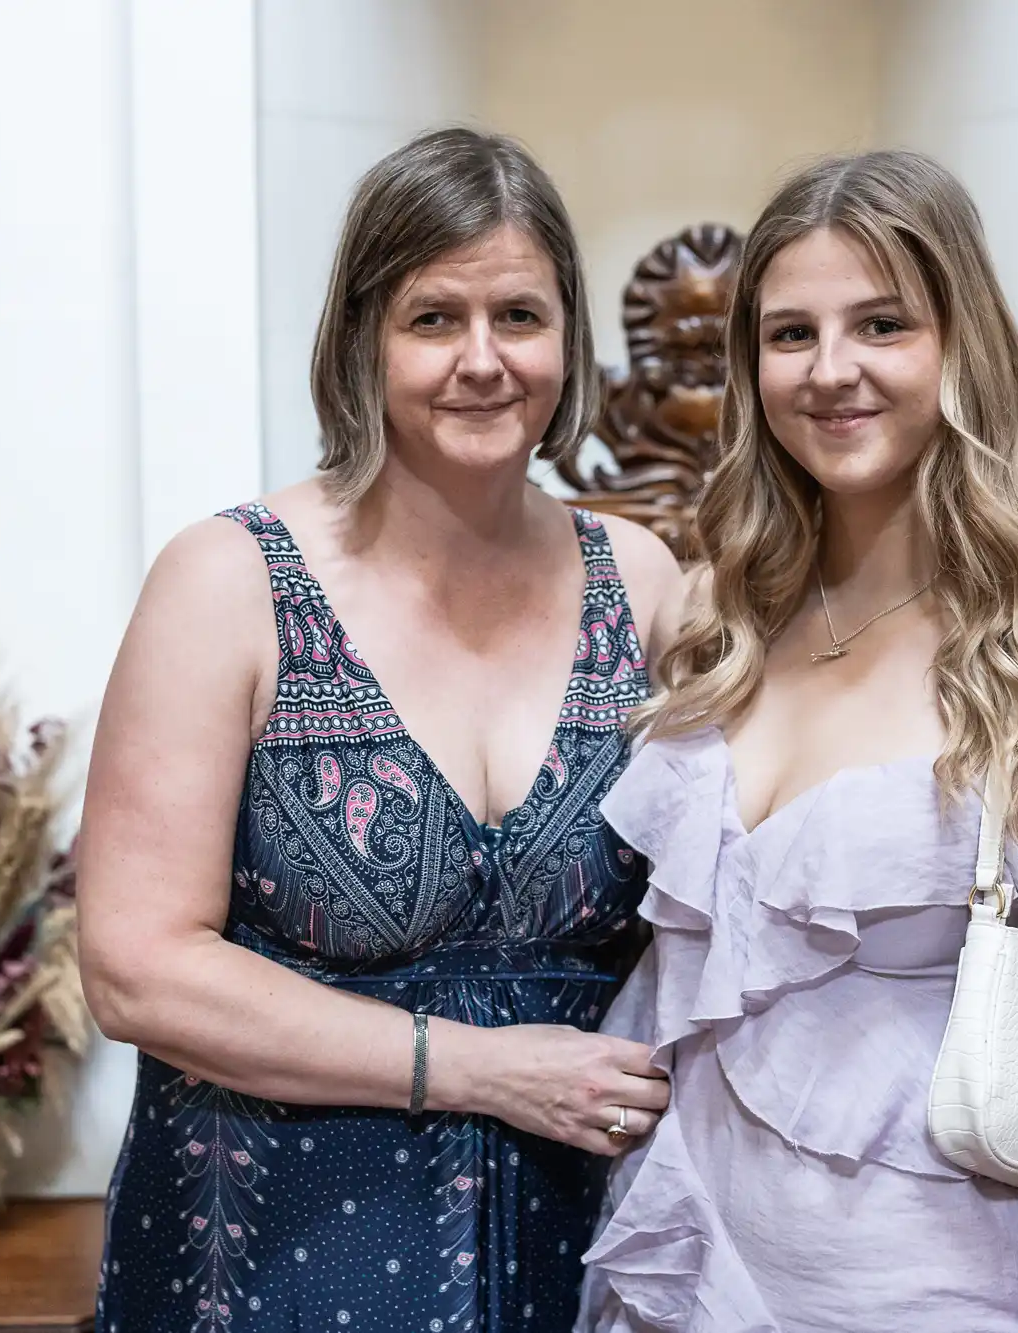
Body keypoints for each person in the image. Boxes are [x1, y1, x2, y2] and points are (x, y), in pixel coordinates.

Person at [577, 150, 1018, 1332]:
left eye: (879, 324)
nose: (830, 371)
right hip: (676, 1284)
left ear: (958, 346)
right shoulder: (716, 628)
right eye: (789, 334)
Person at [77, 127, 684, 1333]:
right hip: (269, 1265)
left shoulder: (644, 579)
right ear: (361, 339)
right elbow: (134, 966)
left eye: (518, 314)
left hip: (582, 1260)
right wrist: (479, 1067)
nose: (481, 360)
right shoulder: (228, 582)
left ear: (569, 340)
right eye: (431, 319)